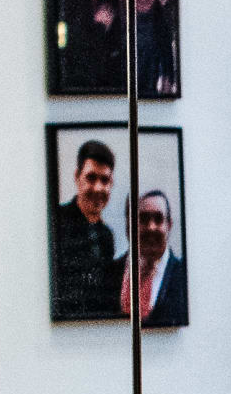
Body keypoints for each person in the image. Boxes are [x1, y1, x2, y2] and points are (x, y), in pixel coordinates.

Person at [50, 140, 121, 320]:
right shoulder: (55, 221)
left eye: (104, 180)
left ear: (111, 183)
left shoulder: (106, 236)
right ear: (77, 177)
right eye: (91, 178)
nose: (98, 188)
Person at [125, 188, 186, 329]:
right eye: (144, 219)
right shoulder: (114, 271)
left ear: (169, 225)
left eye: (158, 219)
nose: (151, 227)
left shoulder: (185, 275)